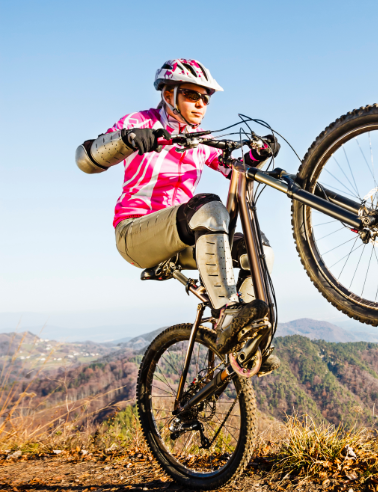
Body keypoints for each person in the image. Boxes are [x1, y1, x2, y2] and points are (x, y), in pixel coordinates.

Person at [75, 58, 280, 375]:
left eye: (206, 98)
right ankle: (226, 312)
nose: (200, 104)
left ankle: (243, 341)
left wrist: (257, 155)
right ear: (168, 94)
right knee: (209, 207)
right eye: (191, 95)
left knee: (258, 250)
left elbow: (234, 169)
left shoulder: (200, 140)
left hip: (181, 239)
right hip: (135, 233)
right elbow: (85, 159)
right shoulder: (140, 121)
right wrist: (127, 139)